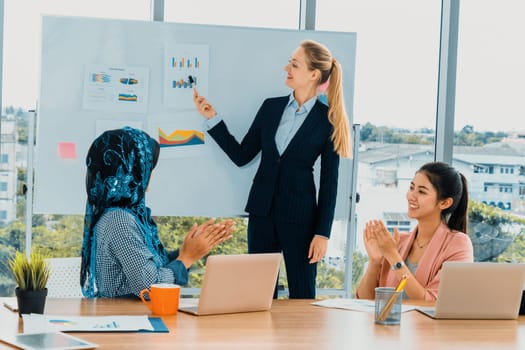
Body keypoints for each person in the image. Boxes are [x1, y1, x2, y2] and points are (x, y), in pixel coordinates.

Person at [193, 40, 352, 299]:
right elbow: (242, 155)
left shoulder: (328, 121)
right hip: (262, 214)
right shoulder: (271, 107)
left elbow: (330, 185)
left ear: (313, 74)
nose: (286, 67)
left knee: (302, 295)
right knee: (258, 294)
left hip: (301, 220)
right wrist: (213, 119)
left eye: (294, 64)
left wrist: (322, 233)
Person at [80, 127, 235, 298]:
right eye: (148, 166)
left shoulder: (127, 214)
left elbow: (150, 269)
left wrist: (189, 249)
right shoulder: (120, 220)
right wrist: (186, 259)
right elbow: (149, 287)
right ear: (133, 170)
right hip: (131, 319)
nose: (151, 172)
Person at [356, 161, 474, 301]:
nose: (411, 196)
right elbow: (365, 300)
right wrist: (375, 262)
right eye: (412, 188)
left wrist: (393, 257)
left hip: (427, 324)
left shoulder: (458, 244)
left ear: (444, 203)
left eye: (422, 192)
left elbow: (432, 302)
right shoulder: (399, 242)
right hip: (391, 323)